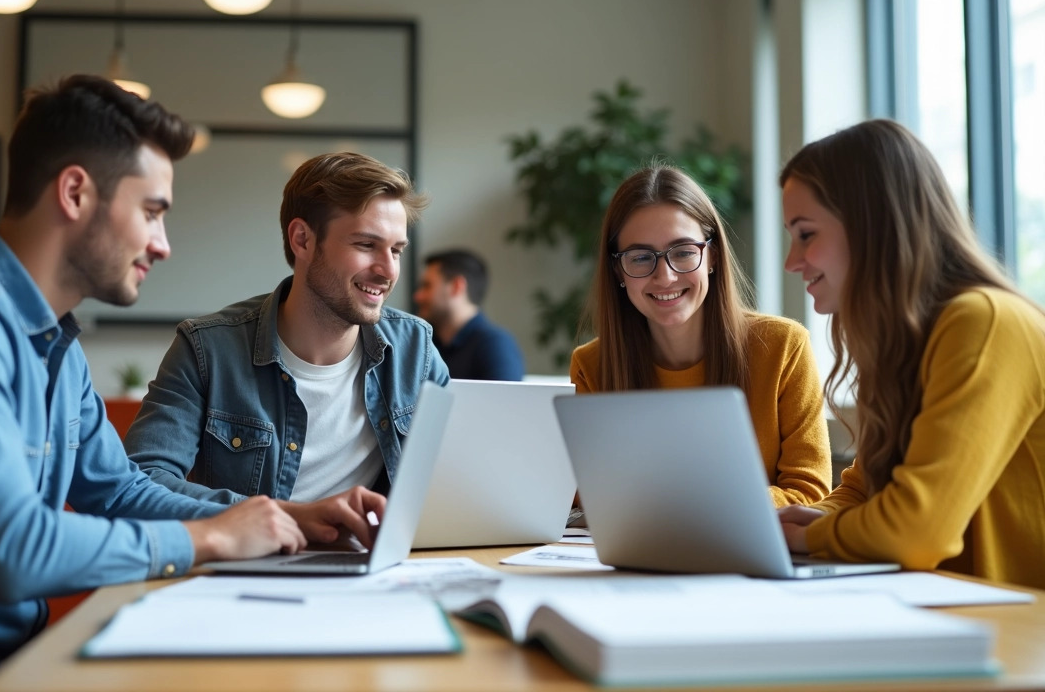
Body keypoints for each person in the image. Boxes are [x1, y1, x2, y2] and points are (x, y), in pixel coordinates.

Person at [0, 76, 310, 692]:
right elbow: (12, 552)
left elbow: (115, 491)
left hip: (13, 666)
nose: (162, 245)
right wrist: (212, 537)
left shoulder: (55, 342)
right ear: (76, 192)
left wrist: (278, 518)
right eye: (152, 212)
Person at [123, 152, 449, 543]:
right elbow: (141, 483)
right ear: (302, 239)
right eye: (366, 245)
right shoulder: (207, 350)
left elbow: (464, 477)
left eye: (396, 250)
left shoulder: (416, 350)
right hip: (247, 573)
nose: (388, 270)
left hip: (369, 575)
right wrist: (286, 519)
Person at [777, 119, 1045, 589]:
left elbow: (916, 530)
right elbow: (865, 490)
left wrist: (812, 535)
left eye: (805, 234)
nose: (791, 261)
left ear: (870, 225)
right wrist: (796, 522)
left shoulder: (985, 322)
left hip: (1022, 635)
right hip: (953, 615)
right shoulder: (907, 341)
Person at [570, 164, 832, 507]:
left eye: (683, 252)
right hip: (633, 556)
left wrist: (692, 505)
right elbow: (585, 497)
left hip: (747, 555)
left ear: (712, 256)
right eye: (640, 257)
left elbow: (809, 494)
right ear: (619, 270)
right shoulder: (592, 365)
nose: (664, 276)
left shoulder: (783, 346)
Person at [413, 249, 525, 381]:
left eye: (427, 286)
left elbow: (507, 401)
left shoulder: (495, 345)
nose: (418, 296)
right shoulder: (426, 343)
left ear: (456, 286)